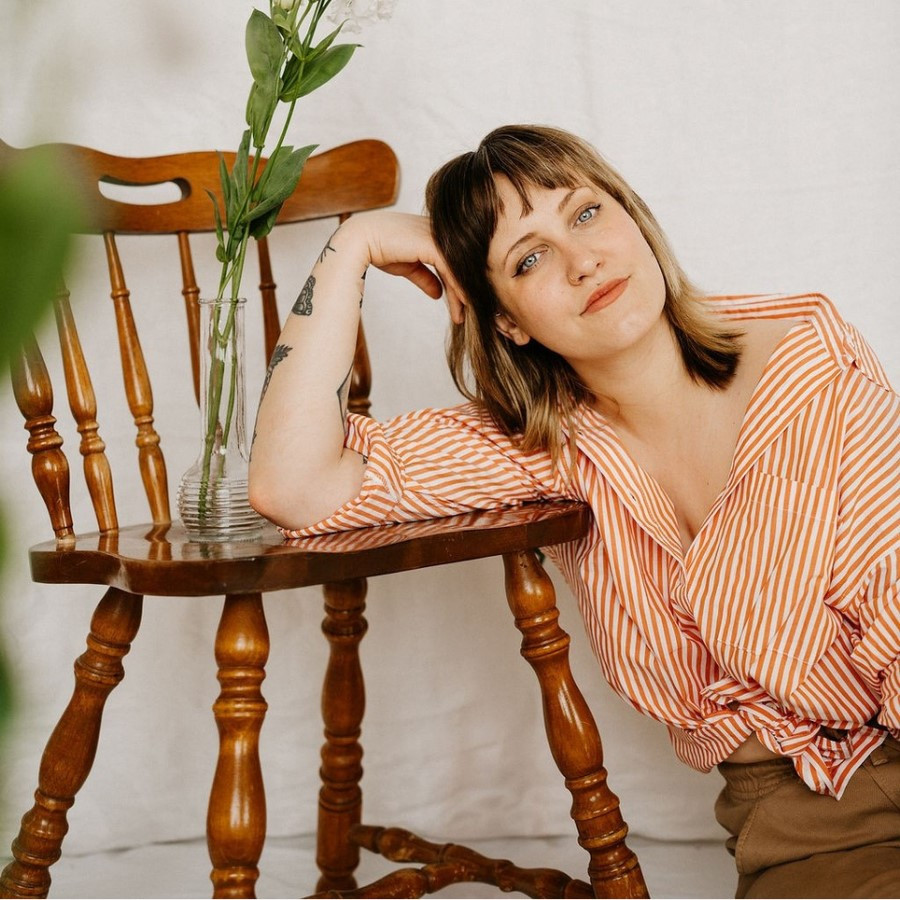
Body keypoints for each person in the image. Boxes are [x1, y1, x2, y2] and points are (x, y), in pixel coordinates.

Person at [248, 124, 900, 898]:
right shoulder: (543, 447)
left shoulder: (808, 370)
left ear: (632, 217)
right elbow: (293, 485)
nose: (582, 260)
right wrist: (353, 244)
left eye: (586, 214)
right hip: (806, 835)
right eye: (530, 258)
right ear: (508, 321)